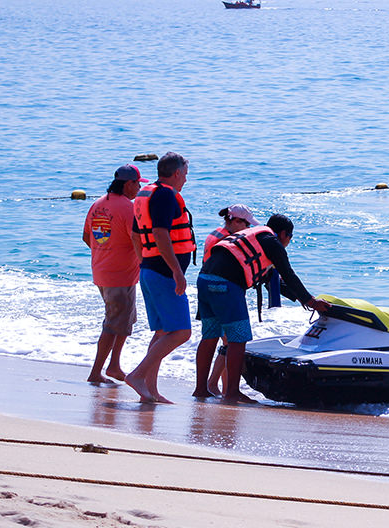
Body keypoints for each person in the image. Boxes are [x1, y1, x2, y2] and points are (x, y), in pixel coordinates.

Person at [192, 213, 331, 403]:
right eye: (290, 239)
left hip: (204, 280)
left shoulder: (254, 236)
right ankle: (231, 392)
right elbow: (288, 273)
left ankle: (201, 389)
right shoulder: (272, 242)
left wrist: (300, 299)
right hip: (226, 285)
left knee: (209, 336)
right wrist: (311, 301)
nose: (288, 242)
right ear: (283, 234)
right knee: (238, 338)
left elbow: (273, 281)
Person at [125, 152, 195, 404]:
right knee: (181, 332)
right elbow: (160, 233)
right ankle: (137, 375)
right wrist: (176, 271)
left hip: (150, 271)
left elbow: (135, 235)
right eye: (185, 174)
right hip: (164, 273)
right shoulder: (165, 194)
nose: (186, 180)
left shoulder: (146, 193)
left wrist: (144, 262)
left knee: (162, 331)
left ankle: (150, 391)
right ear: (176, 173)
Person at [81, 163, 146, 384]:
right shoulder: (128, 208)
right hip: (120, 275)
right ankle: (95, 372)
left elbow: (87, 237)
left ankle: (114, 366)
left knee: (124, 321)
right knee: (113, 324)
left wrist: (105, 254)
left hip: (102, 272)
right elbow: (137, 239)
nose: (138, 188)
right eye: (137, 184)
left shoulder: (98, 204)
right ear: (128, 184)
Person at [203, 204, 258, 396]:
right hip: (221, 292)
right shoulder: (228, 240)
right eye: (246, 224)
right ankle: (213, 384)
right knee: (230, 343)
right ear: (235, 221)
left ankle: (223, 388)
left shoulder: (215, 233)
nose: (249, 229)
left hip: (209, 291)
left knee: (223, 341)